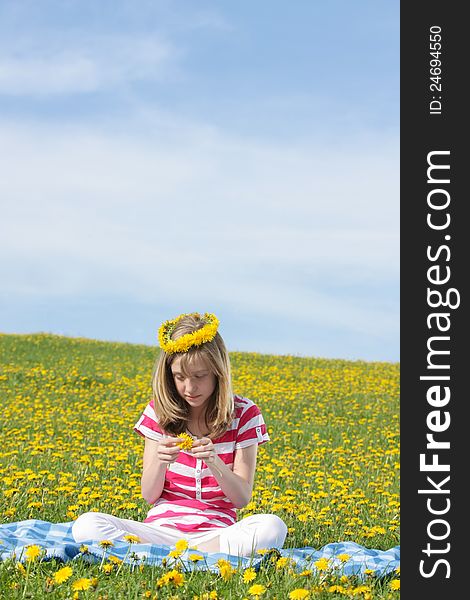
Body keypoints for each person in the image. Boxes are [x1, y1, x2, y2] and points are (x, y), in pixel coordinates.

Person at [72, 312, 287, 556]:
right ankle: (190, 555)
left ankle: (169, 555)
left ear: (218, 372)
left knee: (272, 527)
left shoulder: (245, 414)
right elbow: (149, 495)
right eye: (179, 377)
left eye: (199, 376)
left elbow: (241, 499)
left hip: (217, 532)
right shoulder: (157, 412)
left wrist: (213, 460)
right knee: (86, 525)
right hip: (161, 530)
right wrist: (161, 463)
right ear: (168, 375)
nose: (189, 388)